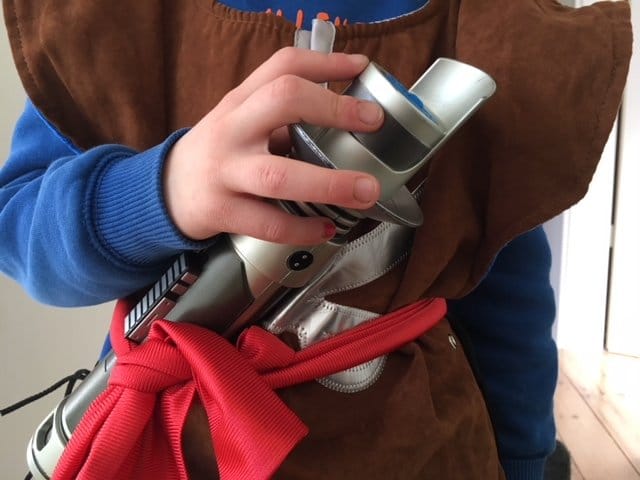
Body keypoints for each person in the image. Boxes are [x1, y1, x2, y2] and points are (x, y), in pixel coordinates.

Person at [0, 0, 631, 479]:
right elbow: (20, 228)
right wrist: (158, 193)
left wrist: (522, 459)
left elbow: (506, 297)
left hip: (414, 448)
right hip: (161, 439)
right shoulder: (113, 23)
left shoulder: (495, 30)